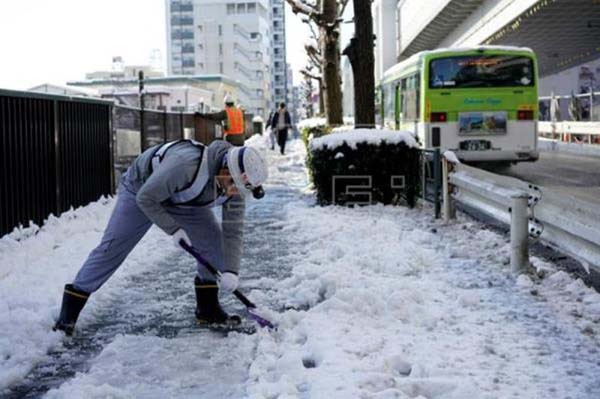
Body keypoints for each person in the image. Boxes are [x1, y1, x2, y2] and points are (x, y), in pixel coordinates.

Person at [53, 139, 268, 336]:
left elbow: (233, 231)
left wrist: (231, 271)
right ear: (224, 168)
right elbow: (146, 198)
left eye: (237, 189)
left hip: (184, 200)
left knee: (216, 245)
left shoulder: (235, 188)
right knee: (113, 249)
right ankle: (68, 315)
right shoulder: (185, 165)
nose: (232, 192)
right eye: (231, 184)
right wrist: (173, 229)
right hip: (142, 191)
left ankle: (208, 309)